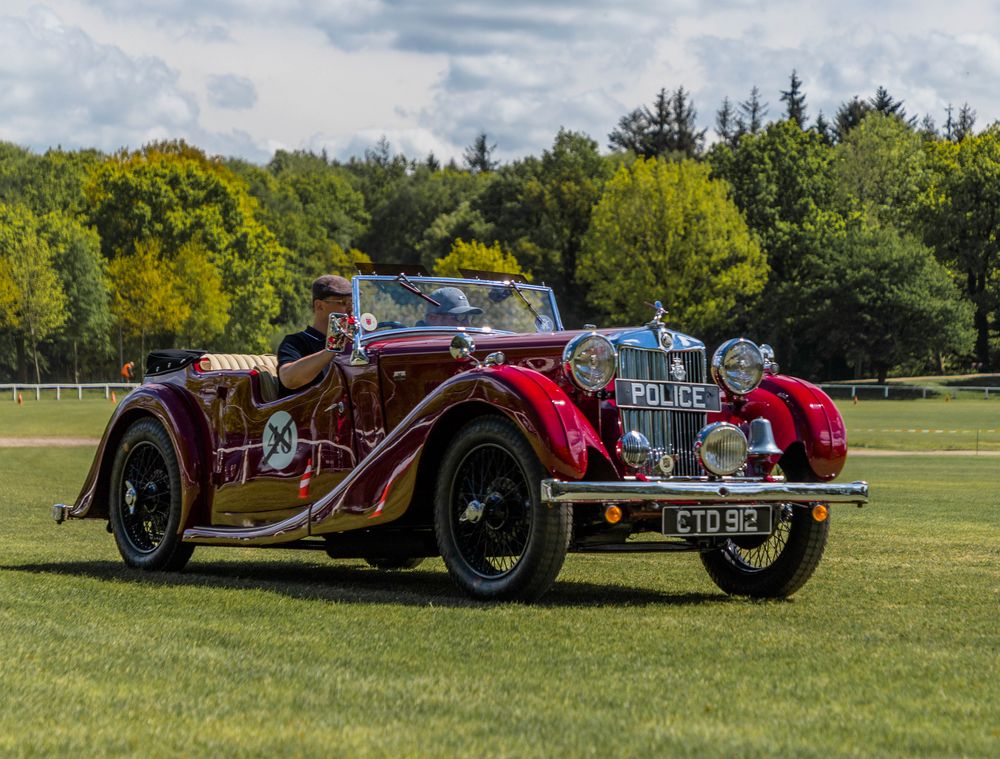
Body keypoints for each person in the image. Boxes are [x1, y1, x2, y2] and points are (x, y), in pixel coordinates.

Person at [277, 275, 353, 398]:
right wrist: (334, 347)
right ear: (319, 306)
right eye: (343, 302)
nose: (351, 309)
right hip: (305, 414)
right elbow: (288, 379)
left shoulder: (355, 344)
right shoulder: (296, 342)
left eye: (352, 303)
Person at [416, 287, 483, 327]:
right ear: (432, 318)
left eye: (470, 317)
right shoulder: (414, 345)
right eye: (460, 317)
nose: (467, 324)